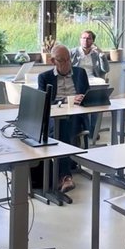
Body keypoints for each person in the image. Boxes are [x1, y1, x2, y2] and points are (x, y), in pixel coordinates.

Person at [37, 44, 90, 195]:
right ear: (53, 61)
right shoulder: (44, 77)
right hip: (55, 116)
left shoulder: (80, 73)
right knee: (60, 126)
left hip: (77, 115)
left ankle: (63, 175)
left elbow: (87, 95)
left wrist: (85, 99)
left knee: (62, 128)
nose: (67, 63)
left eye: (68, 59)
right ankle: (65, 175)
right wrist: (65, 100)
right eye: (62, 60)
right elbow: (44, 101)